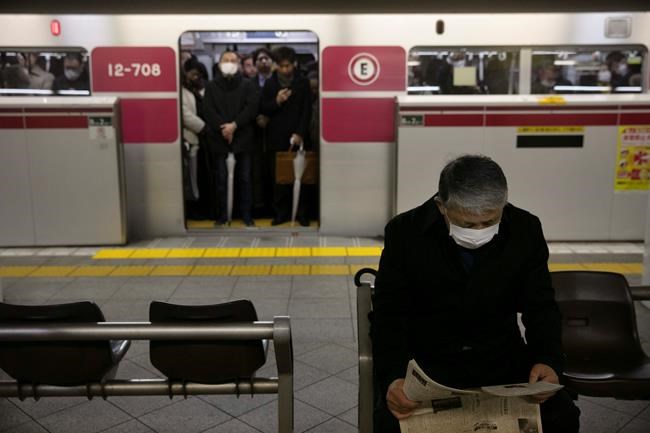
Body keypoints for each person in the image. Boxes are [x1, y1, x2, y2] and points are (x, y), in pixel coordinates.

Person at [371, 155, 580, 433]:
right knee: (391, 424)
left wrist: (549, 360)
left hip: (501, 360)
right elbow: (389, 315)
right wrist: (393, 377)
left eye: (490, 221)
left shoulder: (525, 229)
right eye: (468, 225)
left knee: (561, 415)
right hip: (429, 363)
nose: (480, 231)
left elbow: (540, 306)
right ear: (441, 206)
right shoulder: (405, 233)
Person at [203, 50, 257, 226]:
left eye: (233, 60)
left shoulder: (248, 85)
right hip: (219, 139)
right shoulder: (211, 86)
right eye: (226, 60)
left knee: (245, 178)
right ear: (219, 64)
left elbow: (250, 109)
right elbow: (208, 111)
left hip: (243, 138)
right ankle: (223, 215)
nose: (229, 63)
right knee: (221, 179)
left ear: (239, 65)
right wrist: (224, 128)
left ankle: (246, 215)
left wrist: (234, 125)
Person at [260, 46, 312, 226]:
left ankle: (302, 213)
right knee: (280, 178)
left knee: (301, 177)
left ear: (294, 64)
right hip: (277, 136)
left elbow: (307, 110)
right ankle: (281, 213)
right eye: (281, 66)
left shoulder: (302, 82)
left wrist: (300, 133)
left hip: (299, 136)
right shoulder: (270, 83)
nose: (285, 69)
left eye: (288, 65)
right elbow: (264, 108)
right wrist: (277, 101)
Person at [181, 57, 207, 219]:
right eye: (193, 74)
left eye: (199, 75)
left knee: (199, 177)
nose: (196, 78)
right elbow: (185, 114)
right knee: (191, 178)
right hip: (191, 137)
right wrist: (203, 127)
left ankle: (200, 207)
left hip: (204, 139)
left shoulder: (201, 89)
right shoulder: (181, 91)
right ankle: (193, 209)